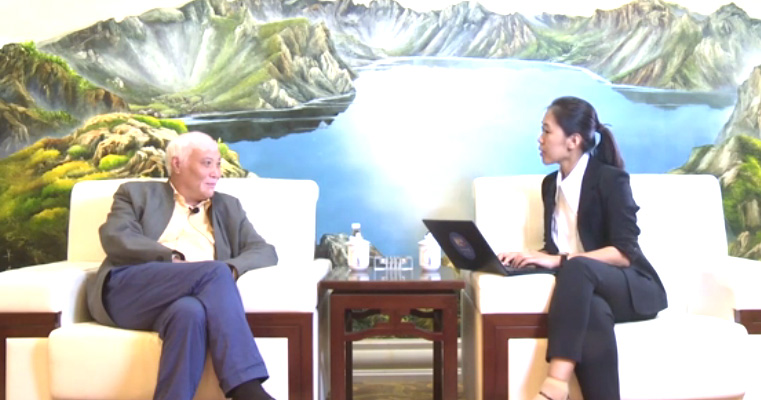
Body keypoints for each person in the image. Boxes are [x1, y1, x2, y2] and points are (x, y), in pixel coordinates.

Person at [86, 131, 278, 400]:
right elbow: (116, 237)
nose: (217, 173)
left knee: (190, 312)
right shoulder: (136, 193)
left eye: (218, 164)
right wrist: (171, 259)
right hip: (131, 291)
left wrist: (231, 269)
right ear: (177, 164)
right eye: (207, 163)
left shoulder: (228, 207)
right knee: (214, 272)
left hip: (190, 295)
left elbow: (264, 251)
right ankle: (246, 388)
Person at [498, 97, 668, 400]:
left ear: (573, 141)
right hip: (585, 290)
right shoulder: (550, 185)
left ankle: (555, 384)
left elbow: (623, 253)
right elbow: (557, 246)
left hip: (631, 287)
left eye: (546, 131)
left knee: (576, 268)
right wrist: (528, 257)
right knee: (593, 310)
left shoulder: (611, 180)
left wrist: (559, 261)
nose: (540, 139)